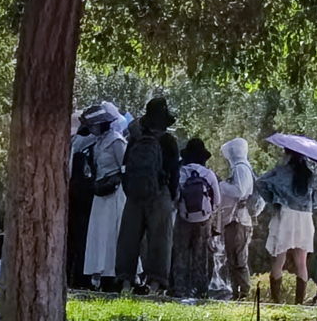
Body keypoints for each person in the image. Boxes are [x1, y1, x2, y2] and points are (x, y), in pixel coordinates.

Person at [114, 94, 177, 295]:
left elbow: (125, 167)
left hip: (134, 195)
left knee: (129, 239)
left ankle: (125, 280)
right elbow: (175, 171)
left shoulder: (135, 139)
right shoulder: (169, 141)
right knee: (160, 240)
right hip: (160, 194)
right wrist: (171, 195)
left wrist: (130, 189)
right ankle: (156, 283)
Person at [256, 148, 317, 301]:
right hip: (305, 217)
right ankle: (299, 302)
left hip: (286, 213)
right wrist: (309, 204)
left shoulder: (281, 171)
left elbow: (260, 183)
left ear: (287, 154)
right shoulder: (309, 175)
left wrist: (273, 198)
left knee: (279, 258)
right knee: (301, 261)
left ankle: (276, 300)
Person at [81, 108, 128, 290]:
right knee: (98, 231)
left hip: (115, 191)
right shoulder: (97, 142)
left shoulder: (116, 140)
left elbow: (124, 165)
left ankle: (115, 272)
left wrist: (117, 179)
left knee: (113, 230)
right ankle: (97, 271)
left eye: (93, 125)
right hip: (101, 190)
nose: (91, 129)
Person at [67, 103, 112, 281]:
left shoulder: (79, 143)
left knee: (79, 237)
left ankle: (77, 276)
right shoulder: (91, 143)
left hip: (79, 194)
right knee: (85, 237)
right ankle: (81, 276)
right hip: (87, 195)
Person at [209, 138, 258, 297]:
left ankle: (242, 292)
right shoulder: (244, 168)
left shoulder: (240, 169)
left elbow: (239, 191)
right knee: (233, 257)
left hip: (238, 219)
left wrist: (221, 186)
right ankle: (237, 291)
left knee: (238, 258)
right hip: (236, 219)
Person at [170, 140, 217, 300]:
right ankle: (201, 290)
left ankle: (180, 289)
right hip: (204, 220)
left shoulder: (181, 172)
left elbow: (175, 196)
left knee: (181, 253)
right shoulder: (208, 174)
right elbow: (216, 200)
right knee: (201, 254)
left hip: (183, 217)